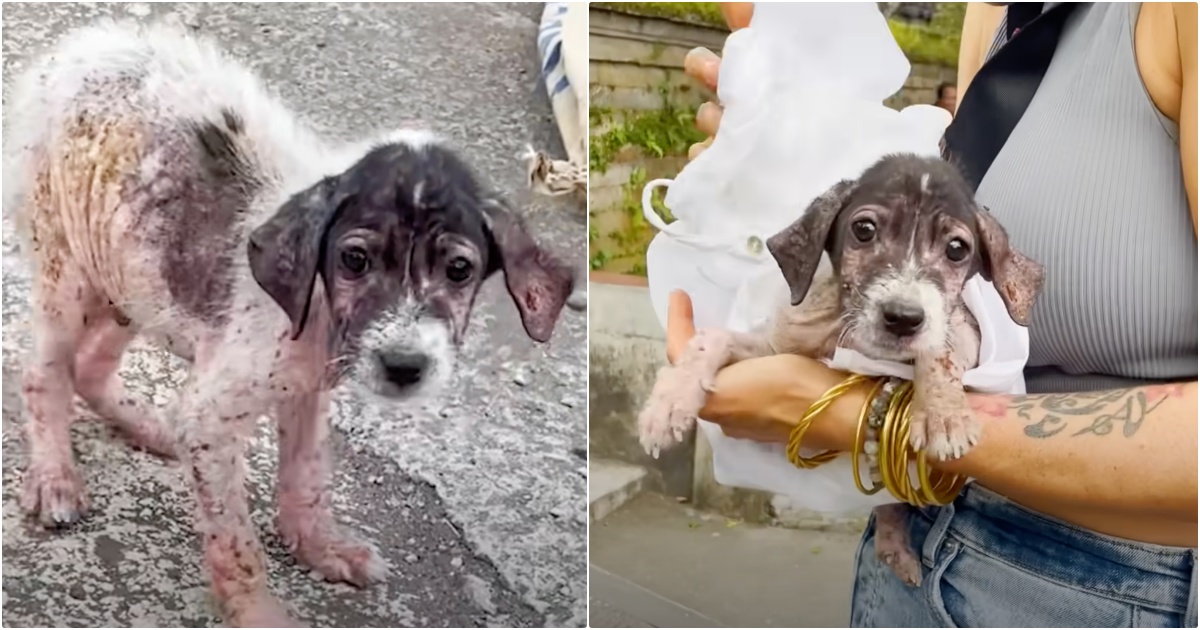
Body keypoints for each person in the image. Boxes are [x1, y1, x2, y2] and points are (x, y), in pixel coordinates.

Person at [671, 2, 1197, 626]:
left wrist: (852, 416)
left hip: (1103, 591)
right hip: (913, 547)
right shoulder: (996, 13)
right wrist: (772, 159)